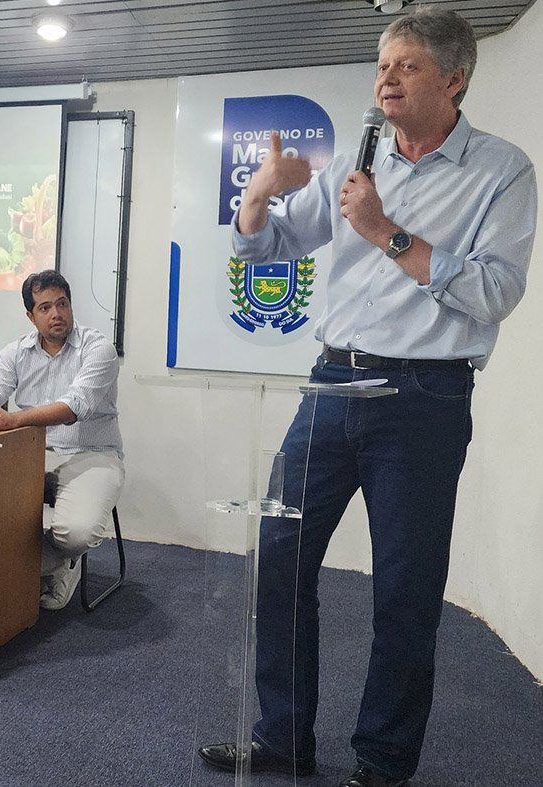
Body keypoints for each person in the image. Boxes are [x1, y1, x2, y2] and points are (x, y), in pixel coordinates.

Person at [198, 9, 536, 787]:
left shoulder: (501, 170)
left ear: (454, 80)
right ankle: (281, 735)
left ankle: (381, 762)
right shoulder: (360, 161)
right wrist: (258, 194)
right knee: (278, 560)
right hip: (329, 385)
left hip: (422, 395)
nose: (386, 79)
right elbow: (266, 244)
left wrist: (386, 231)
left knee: (403, 591)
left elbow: (494, 292)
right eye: (382, 65)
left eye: (407, 66)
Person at [0, 270, 123, 610]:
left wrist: (15, 419)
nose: (56, 314)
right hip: (32, 454)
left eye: (62, 304)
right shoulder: (16, 352)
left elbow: (74, 407)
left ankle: (61, 562)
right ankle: (35, 567)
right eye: (45, 308)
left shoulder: (98, 348)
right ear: (31, 316)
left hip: (93, 453)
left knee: (76, 534)